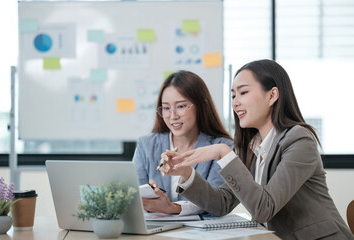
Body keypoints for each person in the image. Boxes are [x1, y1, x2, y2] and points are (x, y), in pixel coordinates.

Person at [161, 60, 353, 239]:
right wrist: (187, 173)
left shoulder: (299, 140)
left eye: (243, 93)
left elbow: (264, 208)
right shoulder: (252, 147)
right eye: (233, 95)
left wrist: (223, 153)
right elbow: (222, 203)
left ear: (272, 95)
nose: (235, 102)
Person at [132, 70, 233, 215]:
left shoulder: (222, 148)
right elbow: (133, 195)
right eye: (166, 108)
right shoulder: (146, 145)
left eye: (181, 106)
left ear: (202, 105)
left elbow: (217, 204)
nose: (173, 116)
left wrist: (172, 208)